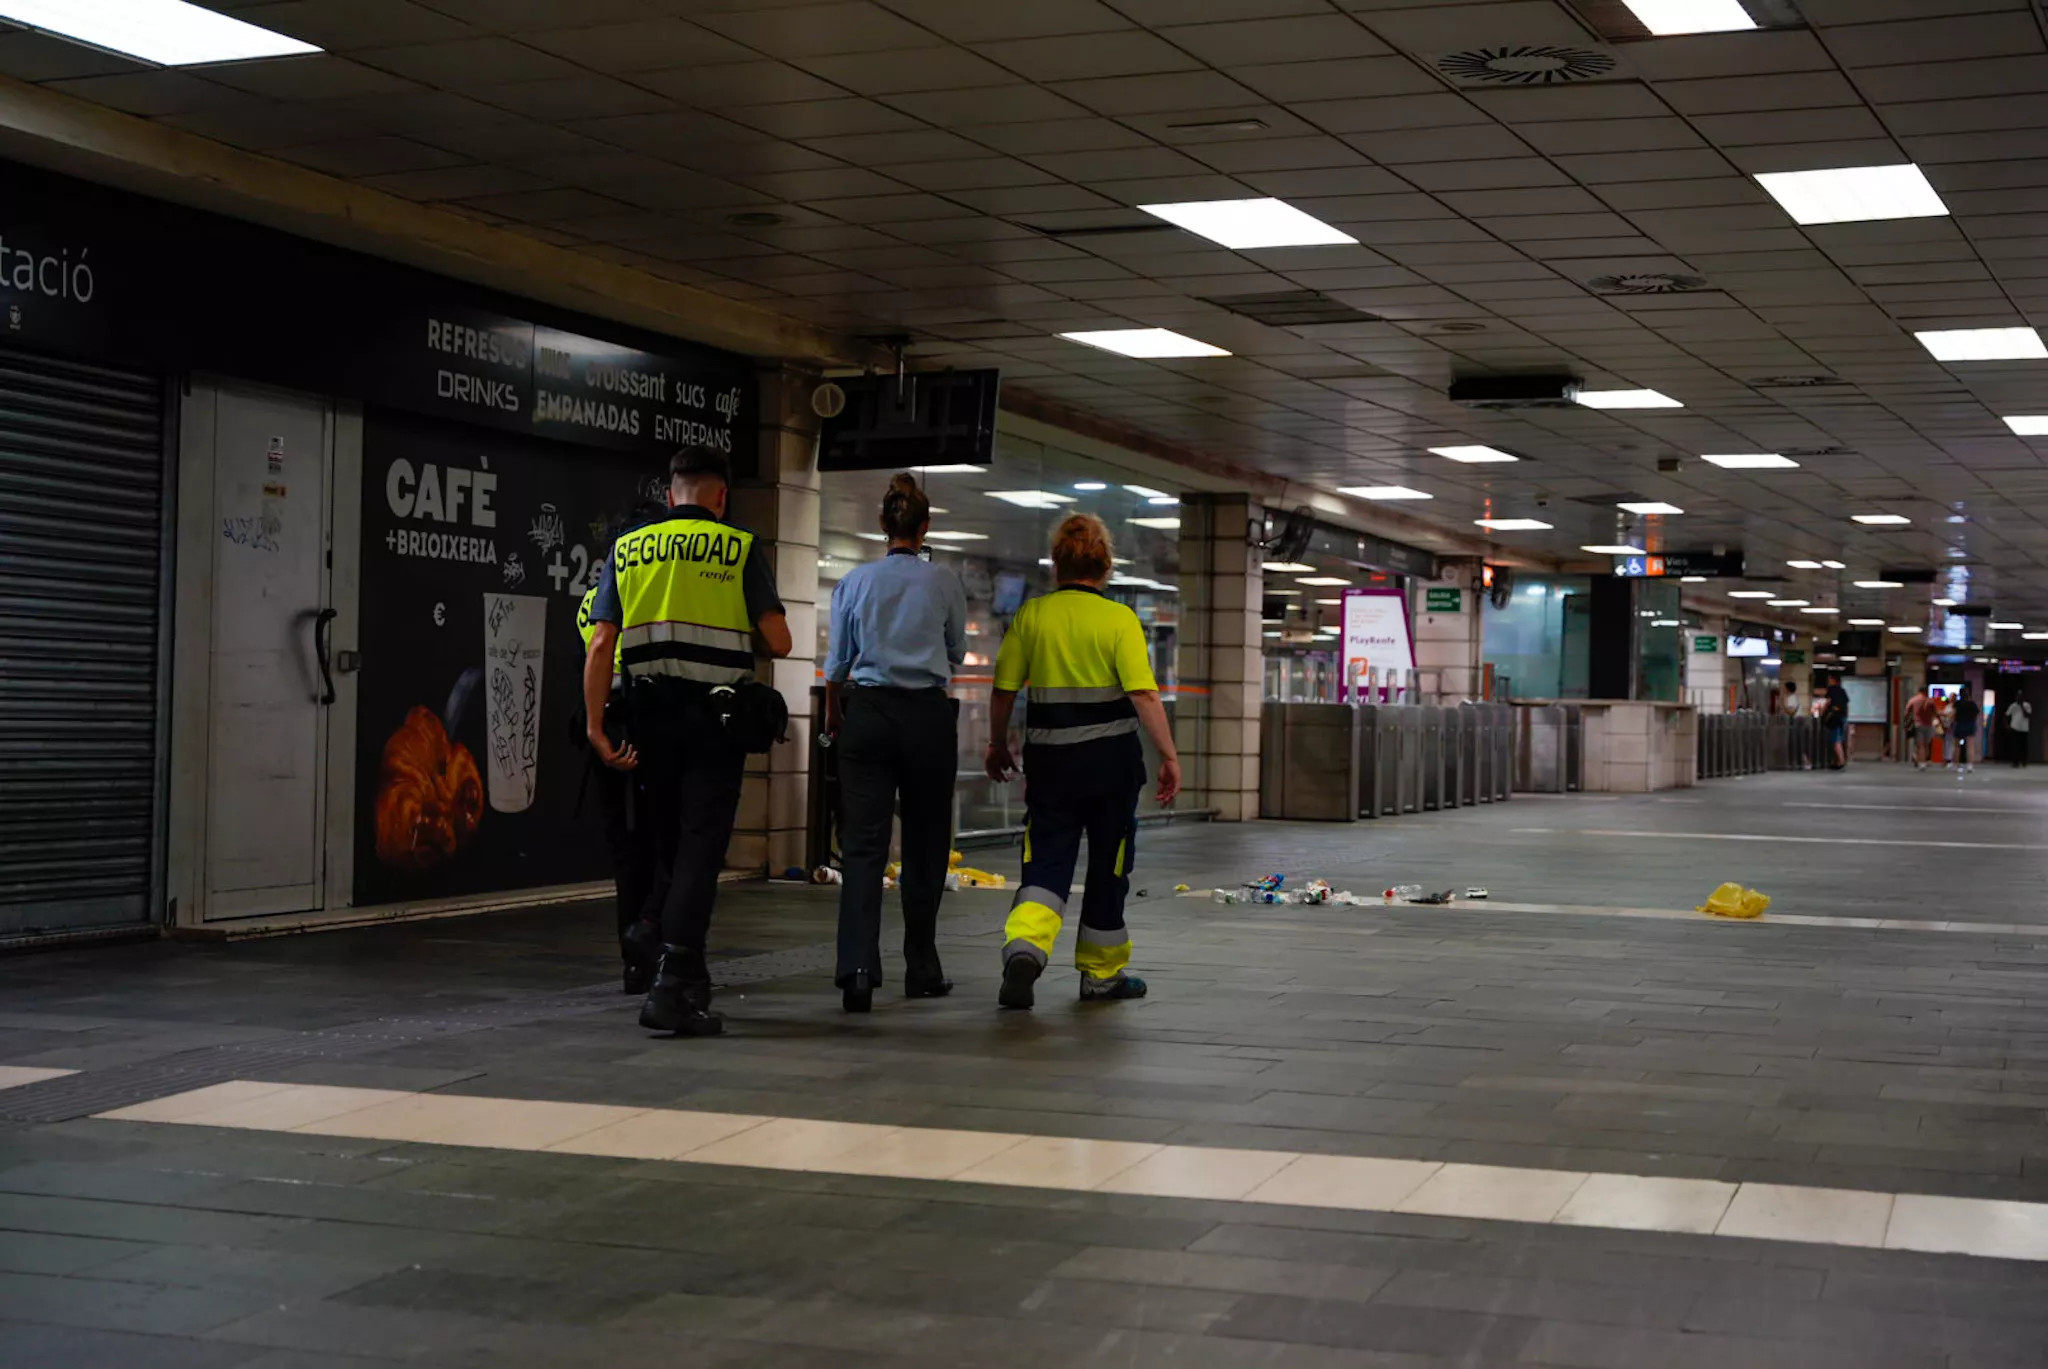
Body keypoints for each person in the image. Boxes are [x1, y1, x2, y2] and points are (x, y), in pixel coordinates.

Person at [583, 446, 792, 1037]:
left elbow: (602, 644)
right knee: (701, 849)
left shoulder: (627, 549)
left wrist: (597, 726)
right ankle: (673, 980)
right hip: (713, 722)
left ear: (671, 491)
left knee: (669, 845)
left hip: (648, 719)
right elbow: (778, 640)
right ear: (720, 496)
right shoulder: (740, 546)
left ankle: (661, 943)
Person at [985, 513, 1180, 1010]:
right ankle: (1101, 975)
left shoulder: (1032, 616)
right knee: (1109, 868)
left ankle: (1026, 950)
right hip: (1111, 768)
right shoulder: (1118, 620)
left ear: (1058, 564)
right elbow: (1144, 695)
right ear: (1105, 565)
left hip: (1051, 767)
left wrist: (996, 744)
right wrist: (1169, 756)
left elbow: (1004, 690)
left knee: (1046, 861)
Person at [823, 473, 969, 1013]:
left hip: (868, 712)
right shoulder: (946, 582)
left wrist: (839, 712)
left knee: (863, 846)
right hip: (928, 718)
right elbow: (956, 651)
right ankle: (923, 968)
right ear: (925, 528)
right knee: (927, 843)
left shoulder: (854, 582)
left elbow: (837, 662)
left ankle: (858, 971)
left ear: (883, 526)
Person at [576, 504, 667, 994]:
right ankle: (652, 949)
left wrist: (595, 730)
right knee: (661, 846)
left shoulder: (590, 600)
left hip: (606, 726)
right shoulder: (651, 594)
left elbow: (591, 659)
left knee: (625, 852)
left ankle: (633, 963)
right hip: (646, 723)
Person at [1905, 685, 1939, 771]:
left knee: (1920, 745)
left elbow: (1906, 712)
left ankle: (1920, 762)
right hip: (1928, 725)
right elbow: (1936, 713)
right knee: (1926, 744)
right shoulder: (1930, 701)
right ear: (1926, 691)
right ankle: (1923, 761)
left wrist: (1906, 723)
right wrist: (1940, 723)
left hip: (1917, 725)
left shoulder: (1913, 700)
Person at [1951, 683, 1981, 776]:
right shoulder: (1972, 704)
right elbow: (1977, 715)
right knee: (1970, 746)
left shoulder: (1957, 704)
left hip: (1959, 724)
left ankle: (1955, 765)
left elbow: (1953, 715)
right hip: (1969, 725)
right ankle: (1969, 766)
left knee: (1956, 746)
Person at [1823, 674, 1851, 769]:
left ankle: (1841, 761)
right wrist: (1845, 716)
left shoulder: (1831, 690)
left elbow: (1827, 703)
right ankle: (1839, 760)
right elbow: (1846, 705)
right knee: (1840, 740)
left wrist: (1824, 713)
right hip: (1842, 718)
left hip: (1835, 719)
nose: (1828, 681)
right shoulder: (1843, 691)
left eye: (1829, 679)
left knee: (1836, 741)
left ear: (1833, 680)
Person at [2008, 694, 2032, 768]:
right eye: (2017, 697)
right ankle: (2015, 762)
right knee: (2015, 746)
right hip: (2015, 727)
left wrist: (2022, 706)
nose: (2018, 698)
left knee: (2023, 746)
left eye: (2020, 697)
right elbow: (2007, 714)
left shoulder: (2027, 705)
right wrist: (2007, 725)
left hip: (2024, 728)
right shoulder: (2013, 706)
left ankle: (2024, 761)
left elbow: (2027, 715)